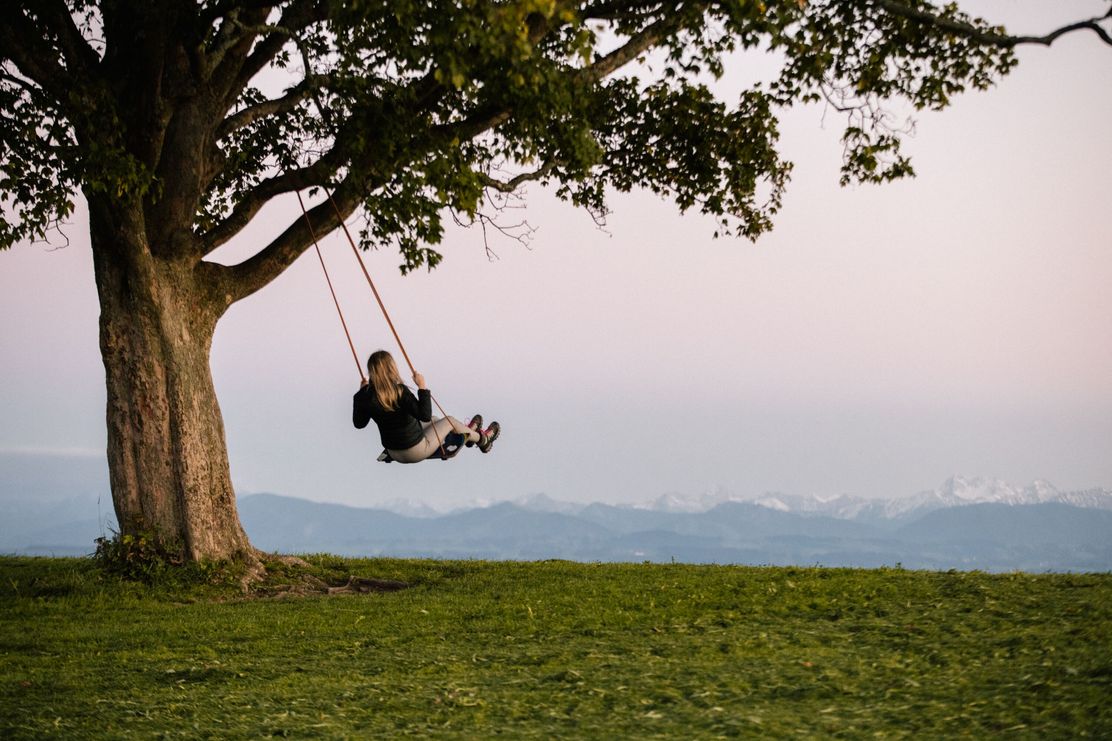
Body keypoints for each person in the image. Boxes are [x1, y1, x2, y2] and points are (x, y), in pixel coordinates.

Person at [353, 350, 500, 463]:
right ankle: (483, 440)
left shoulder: (363, 397)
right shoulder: (399, 392)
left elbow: (359, 424)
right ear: (392, 369)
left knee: (436, 420)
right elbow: (424, 414)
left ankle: (468, 433)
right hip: (416, 450)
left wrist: (361, 392)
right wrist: (422, 387)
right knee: (449, 421)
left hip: (393, 452)